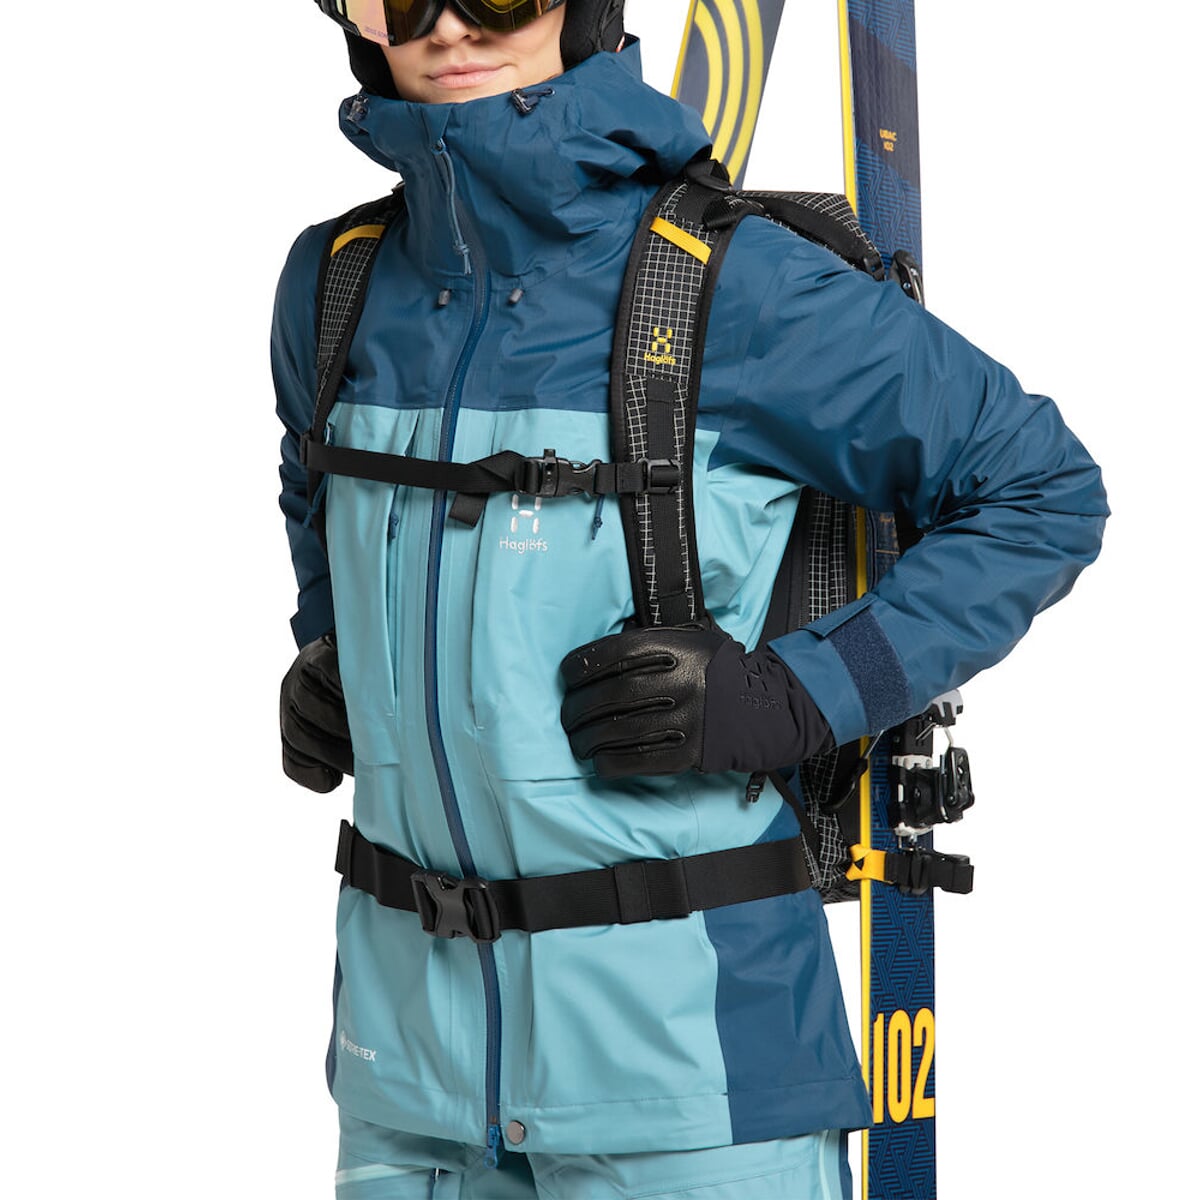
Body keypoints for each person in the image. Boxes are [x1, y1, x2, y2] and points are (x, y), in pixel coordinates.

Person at [273, 2, 1107, 1196]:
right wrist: (330, 643)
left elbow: (1040, 490)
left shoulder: (739, 289)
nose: (448, 25)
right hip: (405, 1084)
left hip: (694, 1086)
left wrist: (794, 696)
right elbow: (312, 484)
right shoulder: (336, 285)